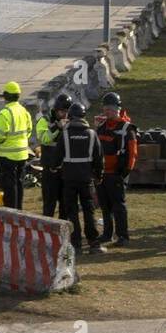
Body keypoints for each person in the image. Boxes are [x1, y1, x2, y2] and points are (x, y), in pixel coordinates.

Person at [59, 104, 105, 255]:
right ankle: (93, 243)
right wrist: (99, 176)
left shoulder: (65, 134)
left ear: (70, 117)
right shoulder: (92, 134)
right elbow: (99, 158)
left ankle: (76, 243)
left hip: (69, 179)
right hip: (86, 179)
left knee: (72, 211)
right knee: (89, 210)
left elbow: (56, 157)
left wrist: (55, 169)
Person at [94, 92, 137, 247]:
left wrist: (124, 173)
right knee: (105, 206)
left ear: (118, 109)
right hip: (102, 175)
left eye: (111, 109)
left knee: (119, 206)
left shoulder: (127, 128)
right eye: (106, 109)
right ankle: (107, 234)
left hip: (117, 175)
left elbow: (132, 153)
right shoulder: (101, 127)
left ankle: (122, 236)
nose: (108, 112)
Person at [0, 81, 33, 210]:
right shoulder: (23, 111)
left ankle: (11, 211)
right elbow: (29, 130)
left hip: (7, 156)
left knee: (9, 187)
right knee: (19, 183)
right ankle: (18, 209)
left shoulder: (5, 113)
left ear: (5, 96)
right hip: (22, 155)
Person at [34, 95, 72, 219]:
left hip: (66, 169)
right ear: (56, 110)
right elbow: (43, 138)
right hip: (50, 170)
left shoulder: (71, 120)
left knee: (65, 205)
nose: (65, 115)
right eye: (62, 111)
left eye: (67, 112)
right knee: (49, 205)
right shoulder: (44, 120)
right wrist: (57, 127)